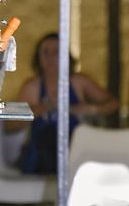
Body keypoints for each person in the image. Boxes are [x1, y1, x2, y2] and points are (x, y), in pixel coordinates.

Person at [14, 32, 119, 175]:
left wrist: (90, 109)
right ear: (38, 58)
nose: (51, 57)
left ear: (65, 56)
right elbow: (10, 126)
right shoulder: (32, 87)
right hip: (41, 153)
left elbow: (113, 104)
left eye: (56, 52)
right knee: (49, 138)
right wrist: (39, 109)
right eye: (45, 52)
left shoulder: (78, 82)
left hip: (76, 147)